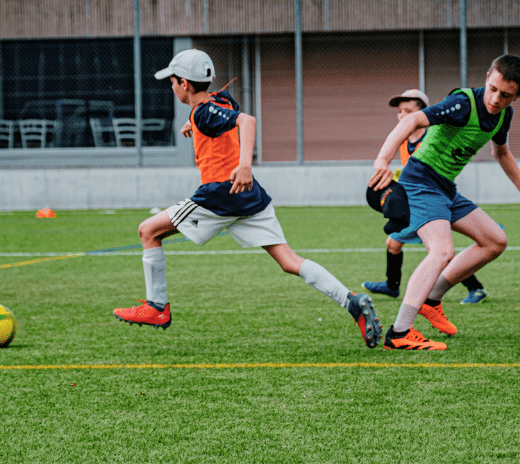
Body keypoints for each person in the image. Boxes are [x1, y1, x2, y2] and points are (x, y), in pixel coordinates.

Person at [112, 49, 383, 348]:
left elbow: (247, 121)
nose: (172, 87)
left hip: (220, 196)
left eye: (173, 82)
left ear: (184, 84)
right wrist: (195, 123)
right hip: (250, 199)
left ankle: (157, 307)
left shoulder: (204, 111)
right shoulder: (217, 103)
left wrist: (244, 166)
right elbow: (226, 109)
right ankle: (352, 302)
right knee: (289, 261)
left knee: (147, 231)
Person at [369, 55, 520, 350]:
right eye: (492, 89)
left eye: (506, 95)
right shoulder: (463, 103)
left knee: (495, 240)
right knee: (442, 251)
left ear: (518, 95)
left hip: (445, 187)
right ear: (487, 77)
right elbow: (415, 119)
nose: (495, 99)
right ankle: (400, 331)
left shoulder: (503, 115)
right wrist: (382, 159)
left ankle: (432, 300)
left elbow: (501, 153)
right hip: (420, 180)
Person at [362, 89, 489, 306]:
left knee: (438, 251)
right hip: (416, 197)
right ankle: (392, 285)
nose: (403, 116)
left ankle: (475, 288)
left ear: (423, 112)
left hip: (435, 197)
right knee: (393, 243)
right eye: (400, 111)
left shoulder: (434, 136)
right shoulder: (403, 140)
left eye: (408, 111)